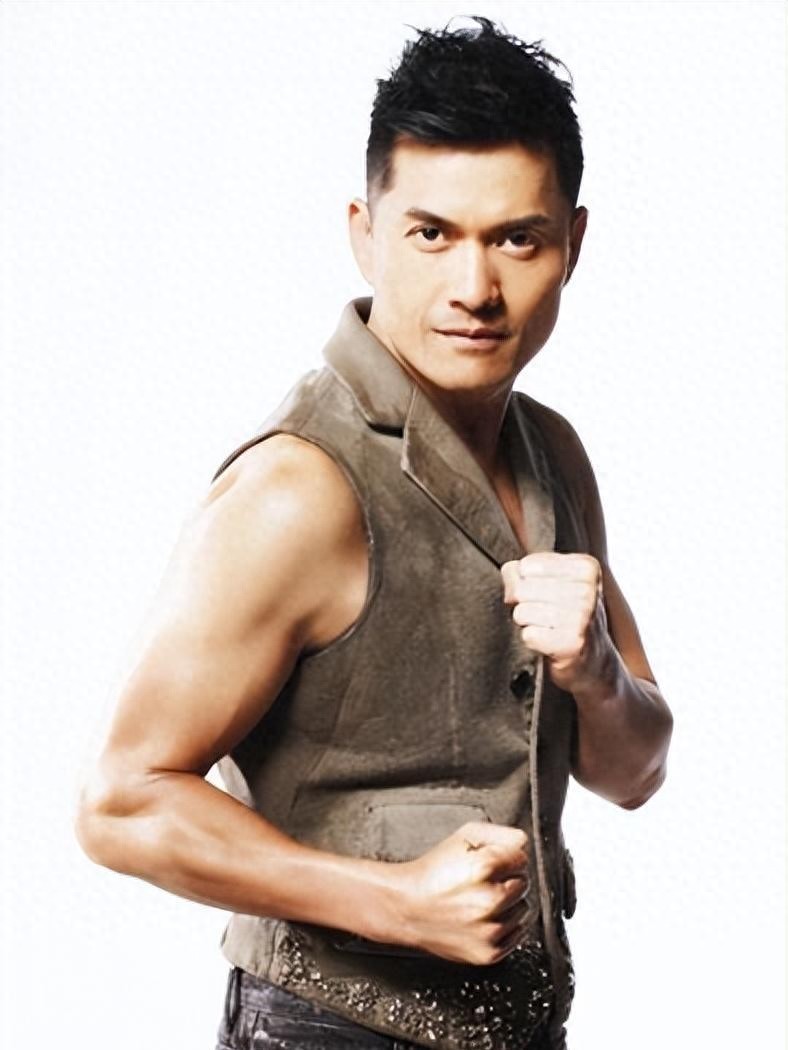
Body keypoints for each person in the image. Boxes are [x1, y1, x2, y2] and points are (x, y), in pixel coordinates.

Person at [74, 15, 673, 1050]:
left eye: (515, 239)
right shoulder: (298, 489)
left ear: (571, 244)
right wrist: (392, 903)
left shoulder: (552, 455)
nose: (473, 289)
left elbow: (633, 773)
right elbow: (120, 804)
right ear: (364, 231)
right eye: (431, 234)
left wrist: (595, 674)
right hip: (326, 1028)